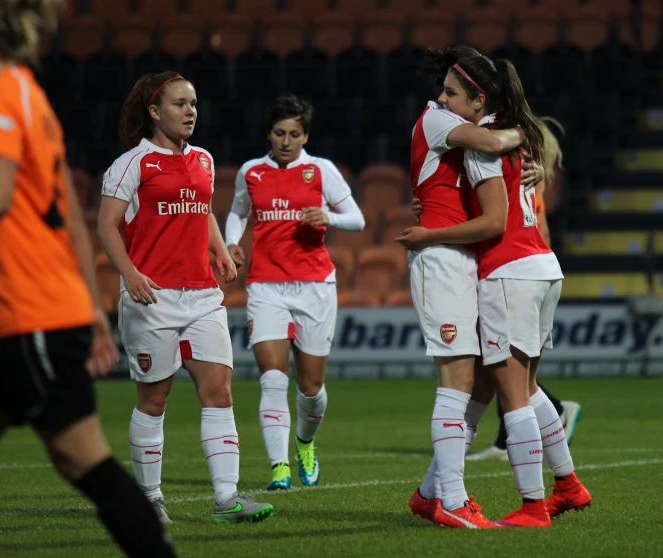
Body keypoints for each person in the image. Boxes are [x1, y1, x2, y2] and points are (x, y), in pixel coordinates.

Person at [0, 2, 176, 556]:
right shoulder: (30, 96)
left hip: (25, 316)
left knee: (82, 458)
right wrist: (94, 312)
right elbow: (72, 222)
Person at [397, 47, 591, 528]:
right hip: (539, 265)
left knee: (500, 392)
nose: (439, 99)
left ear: (479, 100)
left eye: (451, 92)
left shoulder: (483, 142)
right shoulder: (504, 140)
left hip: (504, 268)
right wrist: (526, 136)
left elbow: (493, 220)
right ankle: (561, 484)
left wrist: (430, 229)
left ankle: (524, 505)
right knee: (501, 385)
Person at [98, 71, 273, 524]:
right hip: (152, 297)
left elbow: (205, 211)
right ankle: (151, 499)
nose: (190, 111)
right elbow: (105, 226)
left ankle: (227, 499)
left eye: (193, 103)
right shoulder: (131, 164)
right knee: (153, 400)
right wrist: (131, 274)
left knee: (218, 391)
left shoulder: (204, 160)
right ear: (154, 112)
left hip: (202, 295)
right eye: (180, 104)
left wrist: (218, 249)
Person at [224, 95, 365, 491]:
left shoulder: (321, 170)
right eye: (279, 133)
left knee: (310, 388)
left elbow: (357, 219)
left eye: (295, 134)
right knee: (272, 377)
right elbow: (237, 213)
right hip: (266, 285)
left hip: (315, 286)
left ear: (306, 135)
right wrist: (232, 242)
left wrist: (329, 217)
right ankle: (279, 467)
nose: (286, 141)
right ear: (268, 134)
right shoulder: (252, 172)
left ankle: (305, 442)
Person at [466, 117, 582, 462]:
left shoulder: (517, 178)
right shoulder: (526, 179)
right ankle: (547, 463)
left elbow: (539, 228)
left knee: (506, 369)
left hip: (520, 270)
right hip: (535, 268)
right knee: (508, 371)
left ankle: (544, 427)